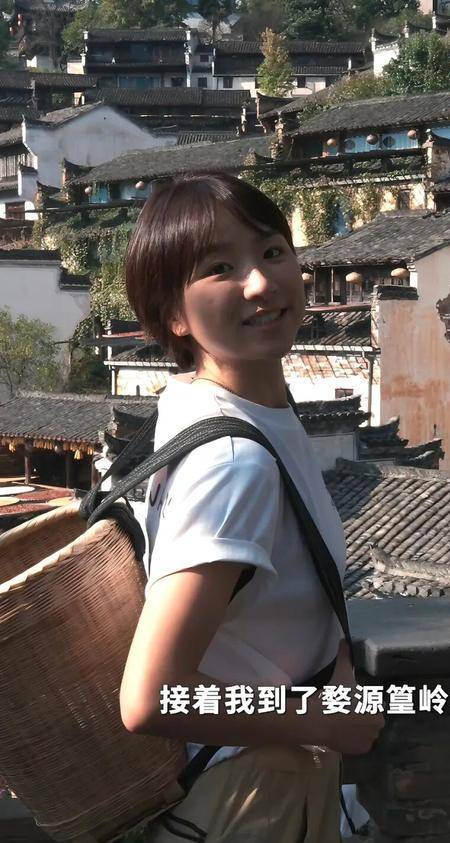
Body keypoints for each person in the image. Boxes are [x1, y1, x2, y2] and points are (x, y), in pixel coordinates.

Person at [119, 173, 384, 842]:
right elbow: (150, 695)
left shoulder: (209, 408)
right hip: (250, 797)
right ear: (173, 314)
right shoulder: (233, 461)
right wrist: (322, 722)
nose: (262, 283)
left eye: (271, 251)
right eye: (220, 268)